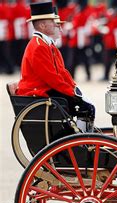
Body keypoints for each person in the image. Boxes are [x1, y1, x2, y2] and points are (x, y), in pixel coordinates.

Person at [16, 1, 95, 132]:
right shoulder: (39, 46)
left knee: (85, 105)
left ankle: (80, 138)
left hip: (44, 89)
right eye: (53, 22)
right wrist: (73, 94)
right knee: (86, 108)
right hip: (38, 93)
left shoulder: (46, 44)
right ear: (42, 25)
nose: (58, 26)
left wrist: (75, 89)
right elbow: (52, 78)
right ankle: (82, 140)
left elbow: (62, 72)